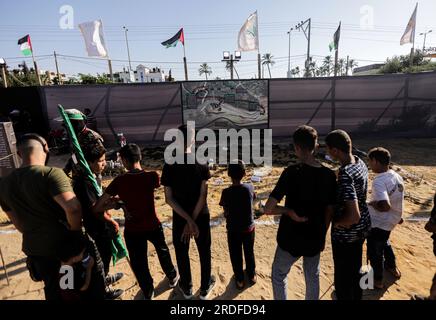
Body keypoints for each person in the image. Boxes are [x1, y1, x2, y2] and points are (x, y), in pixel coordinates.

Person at [0, 133, 83, 300]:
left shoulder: (4, 184)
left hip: (36, 251)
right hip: (64, 250)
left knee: (52, 289)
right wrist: (75, 235)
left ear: (18, 154)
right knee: (70, 291)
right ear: (46, 148)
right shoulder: (51, 174)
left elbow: (18, 224)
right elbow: (73, 209)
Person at [94, 143, 179, 300]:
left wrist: (118, 203)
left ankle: (148, 290)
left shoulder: (119, 181)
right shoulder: (152, 177)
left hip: (133, 230)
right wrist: (123, 201)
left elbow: (98, 206)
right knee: (163, 251)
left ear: (125, 161)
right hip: (153, 224)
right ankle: (173, 276)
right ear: (140, 157)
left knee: (139, 262)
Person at [264, 125, 337, 300]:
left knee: (278, 275)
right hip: (315, 236)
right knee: (312, 276)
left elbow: (268, 208)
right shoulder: (329, 175)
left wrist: (288, 211)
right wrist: (323, 232)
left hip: (290, 237)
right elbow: (330, 209)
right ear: (316, 145)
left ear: (296, 147)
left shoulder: (290, 173)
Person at [161, 124, 216, 300]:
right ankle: (205, 287)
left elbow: (169, 198)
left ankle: (187, 287)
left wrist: (186, 220)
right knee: (204, 251)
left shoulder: (169, 163)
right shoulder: (201, 160)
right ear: (193, 139)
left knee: (182, 251)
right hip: (200, 214)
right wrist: (192, 221)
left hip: (180, 216)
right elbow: (203, 195)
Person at [325, 129, 371, 301]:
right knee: (355, 269)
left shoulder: (345, 174)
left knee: (343, 276)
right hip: (362, 230)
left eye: (329, 149)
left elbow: (353, 216)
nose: (328, 153)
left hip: (347, 234)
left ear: (336, 150)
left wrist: (336, 223)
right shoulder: (359, 162)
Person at [72, 142, 124, 291]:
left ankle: (104, 277)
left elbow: (98, 201)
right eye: (100, 161)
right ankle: (102, 288)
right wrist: (111, 220)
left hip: (98, 223)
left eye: (104, 159)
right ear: (90, 162)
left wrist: (113, 202)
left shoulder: (91, 176)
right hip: (96, 225)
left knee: (103, 254)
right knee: (102, 255)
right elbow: (94, 209)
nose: (104, 163)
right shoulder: (85, 181)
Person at [366, 147, 403, 289]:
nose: (369, 165)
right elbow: (398, 197)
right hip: (392, 219)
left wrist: (372, 203)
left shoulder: (379, 181)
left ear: (375, 161)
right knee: (384, 242)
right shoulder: (395, 175)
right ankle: (391, 266)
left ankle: (378, 280)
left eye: (370, 161)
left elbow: (385, 205)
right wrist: (398, 214)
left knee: (375, 251)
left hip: (380, 222)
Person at [219, 160, 257, 290]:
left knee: (235, 254)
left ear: (229, 174)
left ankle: (240, 279)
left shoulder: (226, 192)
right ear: (244, 173)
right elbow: (253, 199)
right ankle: (251, 275)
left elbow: (225, 211)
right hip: (248, 228)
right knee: (249, 252)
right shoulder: (250, 187)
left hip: (233, 230)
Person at [62, 108, 104, 178]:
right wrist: (67, 169)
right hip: (77, 176)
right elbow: (74, 155)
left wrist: (93, 175)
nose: (66, 128)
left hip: (90, 178)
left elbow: (100, 160)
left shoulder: (92, 137)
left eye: (66, 125)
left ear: (76, 124)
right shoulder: (74, 137)